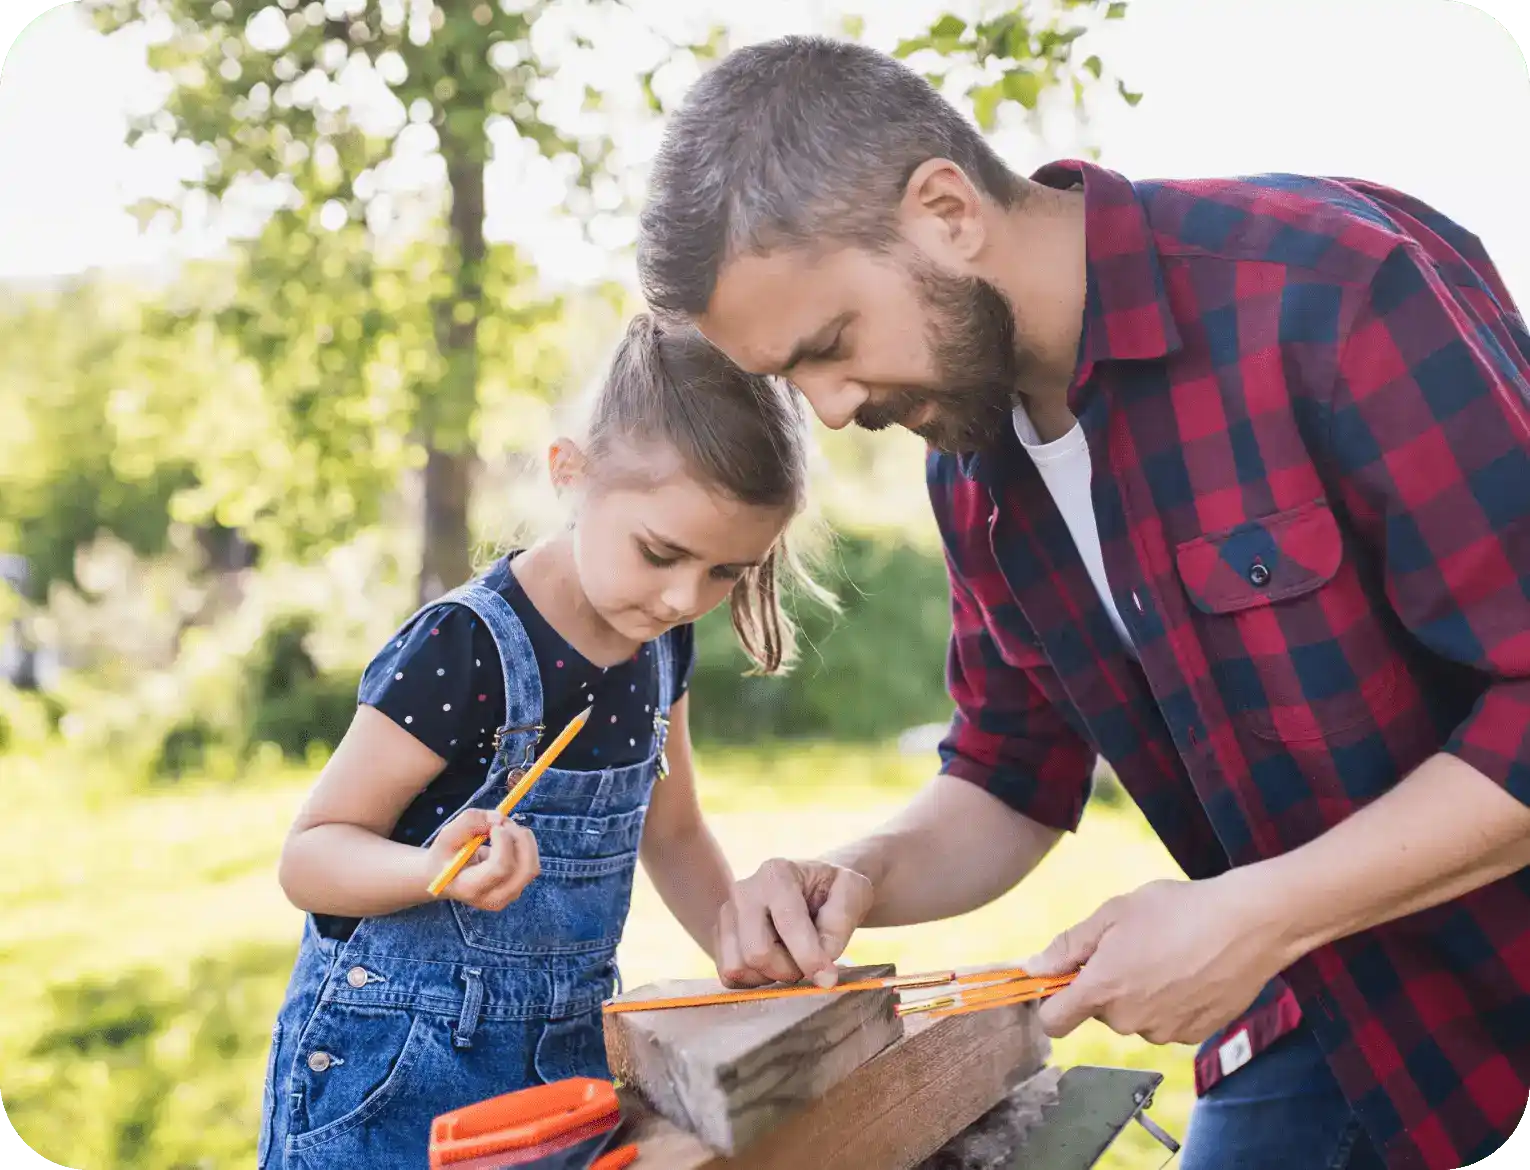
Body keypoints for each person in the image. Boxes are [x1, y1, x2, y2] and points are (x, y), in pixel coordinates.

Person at [634, 34, 1530, 1170]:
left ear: (948, 210)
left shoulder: (1330, 297)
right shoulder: (971, 460)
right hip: (1322, 1011)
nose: (832, 409)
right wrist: (857, 875)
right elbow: (1010, 777)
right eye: (792, 379)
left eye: (832, 346)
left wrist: (1254, 915)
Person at [257, 313, 827, 1169]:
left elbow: (672, 835)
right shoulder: (465, 649)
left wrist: (745, 955)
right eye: (661, 553)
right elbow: (310, 857)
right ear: (572, 474)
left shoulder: (659, 644)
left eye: (724, 573)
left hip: (563, 1079)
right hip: (392, 1088)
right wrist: (432, 870)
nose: (682, 597)